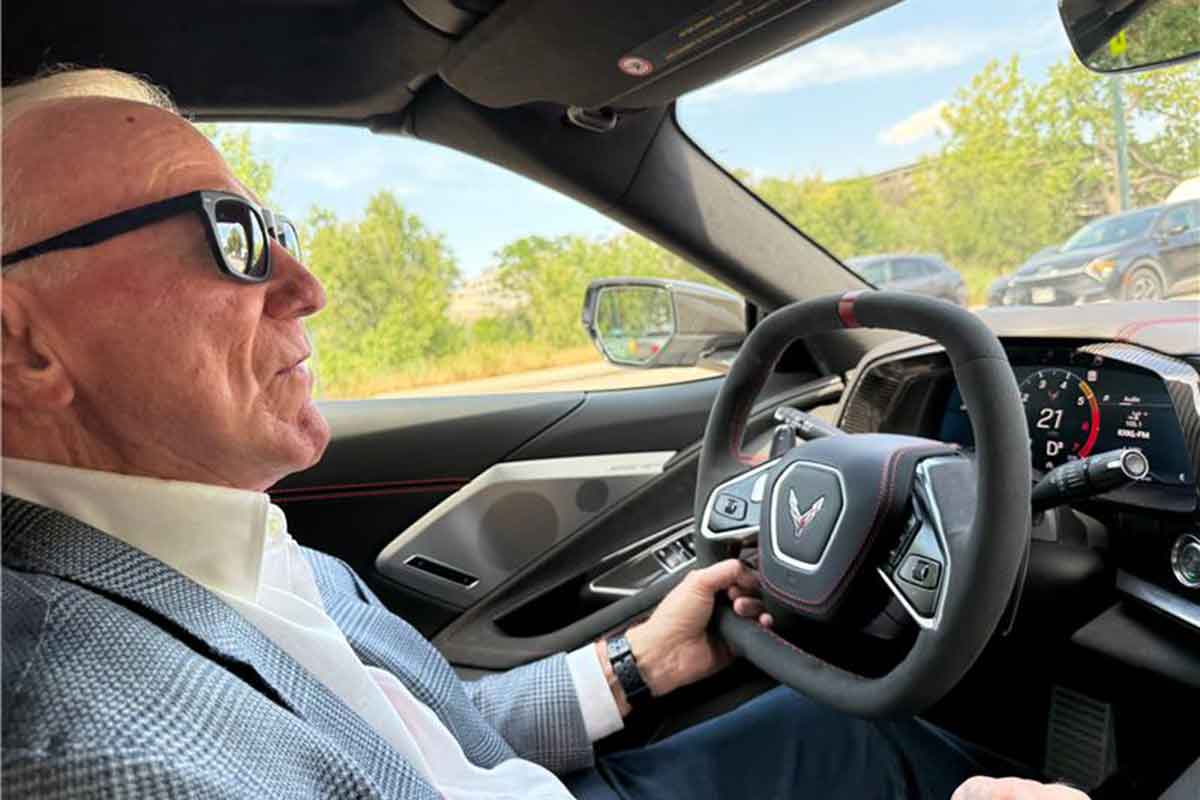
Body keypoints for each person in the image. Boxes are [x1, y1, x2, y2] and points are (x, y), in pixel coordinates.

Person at [0, 68, 1088, 800]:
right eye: (230, 234)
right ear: (23, 347)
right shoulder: (82, 748)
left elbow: (430, 730)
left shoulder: (219, 527)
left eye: (276, 226)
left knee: (864, 732)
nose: (308, 284)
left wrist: (638, 659)